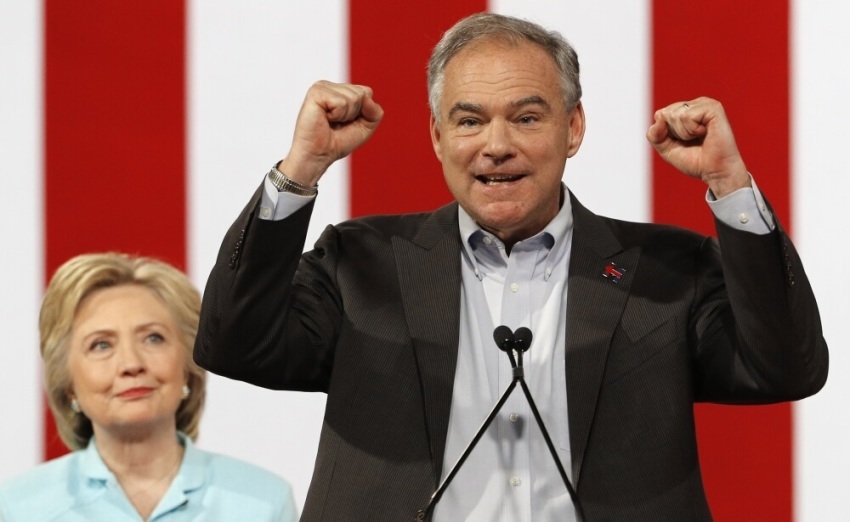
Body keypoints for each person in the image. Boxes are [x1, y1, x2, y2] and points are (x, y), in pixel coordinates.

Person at [193, 12, 828, 522]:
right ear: (439, 137)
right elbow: (237, 344)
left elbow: (785, 368)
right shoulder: (362, 263)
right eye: (469, 120)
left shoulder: (667, 270)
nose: (496, 145)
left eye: (526, 117)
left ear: (573, 129)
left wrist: (729, 183)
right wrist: (299, 170)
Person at [0, 253, 298, 521]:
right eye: (101, 345)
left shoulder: (263, 502)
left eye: (153, 338)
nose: (131, 363)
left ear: (187, 368)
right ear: (68, 385)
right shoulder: (18, 507)